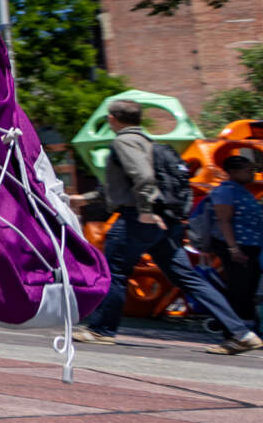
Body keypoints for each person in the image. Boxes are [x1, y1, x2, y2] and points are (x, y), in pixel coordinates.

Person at [73, 101, 258, 353]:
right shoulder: (149, 143)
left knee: (114, 271)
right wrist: (88, 198)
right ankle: (240, 333)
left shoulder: (124, 141)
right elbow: (130, 183)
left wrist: (146, 212)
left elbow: (142, 177)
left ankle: (100, 330)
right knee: (187, 278)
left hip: (138, 220)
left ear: (113, 118)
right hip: (165, 222)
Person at [204, 153, 263, 342]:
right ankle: (237, 330)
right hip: (237, 246)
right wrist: (233, 248)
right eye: (249, 171)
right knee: (240, 288)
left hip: (250, 246)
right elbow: (224, 220)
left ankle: (242, 328)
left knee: (247, 288)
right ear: (234, 172)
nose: (253, 174)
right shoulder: (226, 191)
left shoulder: (242, 190)